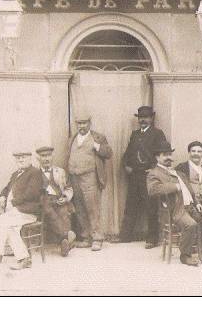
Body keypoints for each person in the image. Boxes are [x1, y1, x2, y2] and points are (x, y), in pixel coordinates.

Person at [0, 151, 44, 270]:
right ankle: (24, 259)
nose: (20, 160)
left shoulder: (35, 173)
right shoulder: (16, 174)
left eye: (23, 158)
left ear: (30, 159)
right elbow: (6, 188)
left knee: (3, 219)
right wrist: (3, 196)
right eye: (18, 158)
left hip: (28, 211)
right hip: (16, 212)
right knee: (9, 228)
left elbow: (32, 194)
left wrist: (13, 202)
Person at [120, 106, 167, 249]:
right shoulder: (134, 134)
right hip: (134, 175)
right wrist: (126, 165)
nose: (143, 120)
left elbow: (162, 153)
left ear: (151, 118)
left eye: (146, 117)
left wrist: (153, 168)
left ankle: (152, 238)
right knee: (131, 206)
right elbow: (128, 153)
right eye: (140, 118)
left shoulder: (158, 134)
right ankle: (125, 236)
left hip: (149, 176)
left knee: (151, 207)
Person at [66, 113, 113, 251]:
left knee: (92, 207)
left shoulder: (98, 137)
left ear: (90, 123)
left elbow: (109, 153)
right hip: (74, 177)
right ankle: (86, 237)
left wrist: (98, 147)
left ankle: (97, 238)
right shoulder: (72, 139)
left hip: (90, 177)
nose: (81, 126)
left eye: (84, 123)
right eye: (79, 123)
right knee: (80, 207)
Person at [36, 146, 76, 257]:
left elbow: (68, 188)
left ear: (52, 156)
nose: (46, 159)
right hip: (43, 203)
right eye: (43, 156)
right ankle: (66, 237)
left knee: (64, 211)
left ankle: (64, 244)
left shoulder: (60, 171)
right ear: (38, 158)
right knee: (47, 207)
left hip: (58, 200)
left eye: (48, 156)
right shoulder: (35, 173)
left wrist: (65, 197)